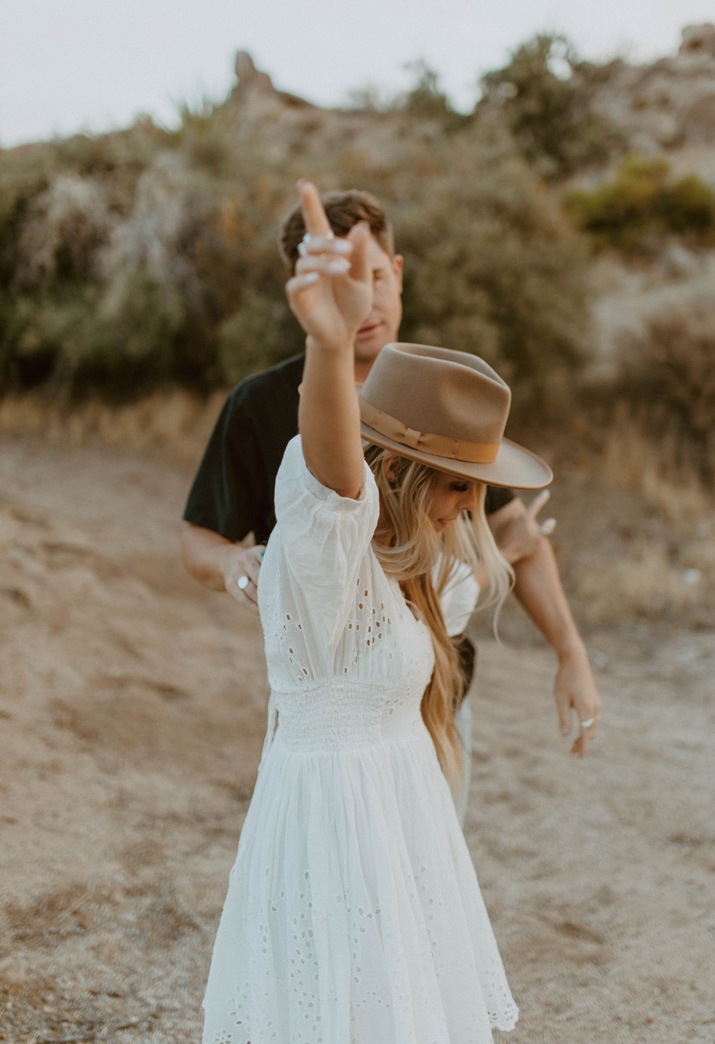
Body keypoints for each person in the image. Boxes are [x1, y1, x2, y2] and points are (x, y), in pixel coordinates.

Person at [201, 179, 556, 1042]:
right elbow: (331, 478)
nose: (464, 512)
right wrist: (329, 345)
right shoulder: (329, 556)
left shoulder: (409, 578)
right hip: (334, 833)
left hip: (401, 827)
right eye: (459, 490)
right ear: (400, 472)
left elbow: (459, 594)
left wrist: (516, 556)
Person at [182, 187, 600, 767]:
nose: (364, 300)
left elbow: (518, 532)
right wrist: (230, 562)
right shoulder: (257, 406)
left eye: (374, 276)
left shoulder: (445, 394)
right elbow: (198, 539)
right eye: (336, 280)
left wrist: (570, 653)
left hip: (442, 693)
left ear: (397, 273)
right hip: (330, 708)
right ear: (301, 289)